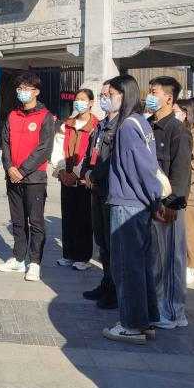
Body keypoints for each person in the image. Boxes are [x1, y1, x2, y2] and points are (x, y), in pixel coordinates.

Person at [102, 75, 161, 345]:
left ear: (124, 94)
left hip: (128, 203)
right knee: (141, 266)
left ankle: (132, 325)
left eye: (111, 93)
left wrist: (155, 200)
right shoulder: (141, 122)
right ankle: (145, 320)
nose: (107, 98)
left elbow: (142, 169)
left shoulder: (127, 126)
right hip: (139, 203)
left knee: (126, 267)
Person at [0, 72, 56, 282]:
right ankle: (18, 258)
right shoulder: (12, 115)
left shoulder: (45, 116)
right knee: (18, 221)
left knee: (36, 222)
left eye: (26, 88)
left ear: (36, 91)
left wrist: (22, 170)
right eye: (19, 88)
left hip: (34, 178)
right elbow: (5, 143)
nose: (22, 92)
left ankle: (35, 263)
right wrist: (10, 168)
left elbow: (44, 149)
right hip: (12, 177)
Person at [146, 76, 192, 330]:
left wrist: (174, 204)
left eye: (154, 92)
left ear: (169, 98)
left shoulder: (177, 130)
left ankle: (174, 312)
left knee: (172, 259)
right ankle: (156, 305)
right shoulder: (148, 126)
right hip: (151, 203)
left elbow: (181, 170)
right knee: (155, 259)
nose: (150, 96)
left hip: (169, 205)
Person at [80, 82, 118, 309]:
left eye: (108, 94)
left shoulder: (122, 126)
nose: (104, 98)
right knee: (102, 241)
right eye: (102, 95)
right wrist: (86, 172)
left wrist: (94, 174)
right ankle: (106, 282)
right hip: (96, 189)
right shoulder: (101, 125)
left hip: (111, 191)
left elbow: (112, 160)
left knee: (113, 244)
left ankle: (115, 289)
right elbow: (90, 154)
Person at [52, 89, 98, 271]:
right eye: (77, 99)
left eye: (83, 99)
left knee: (84, 219)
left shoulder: (96, 126)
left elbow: (92, 153)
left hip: (84, 180)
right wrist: (62, 171)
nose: (79, 102)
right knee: (68, 217)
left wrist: (78, 173)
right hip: (66, 178)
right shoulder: (67, 125)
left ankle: (83, 257)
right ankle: (68, 254)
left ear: (91, 103)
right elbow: (58, 150)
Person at [176, 98, 194, 284]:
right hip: (180, 188)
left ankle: (191, 266)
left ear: (186, 113)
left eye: (176, 111)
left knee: (190, 232)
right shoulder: (181, 132)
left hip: (191, 190)